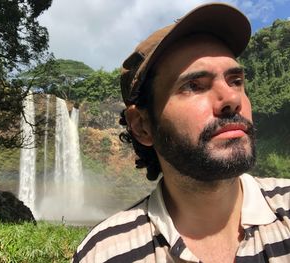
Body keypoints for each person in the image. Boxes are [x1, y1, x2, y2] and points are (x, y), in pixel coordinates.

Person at [73, 3, 290, 263]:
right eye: (194, 86)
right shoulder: (104, 253)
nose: (231, 98)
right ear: (142, 125)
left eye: (236, 81)